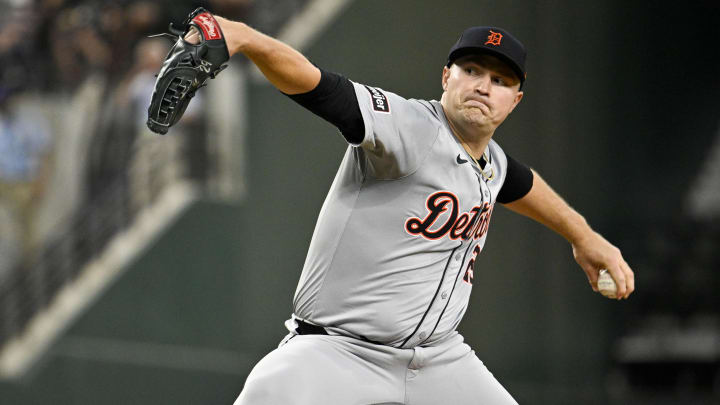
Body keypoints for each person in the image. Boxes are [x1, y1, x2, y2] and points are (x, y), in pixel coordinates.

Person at [193, 13, 634, 405]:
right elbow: (320, 88)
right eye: (472, 70)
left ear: (515, 99)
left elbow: (521, 183)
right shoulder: (410, 126)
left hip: (438, 359)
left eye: (500, 81)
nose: (484, 86)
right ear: (447, 77)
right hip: (339, 353)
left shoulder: (492, 161)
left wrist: (584, 236)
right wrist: (245, 38)